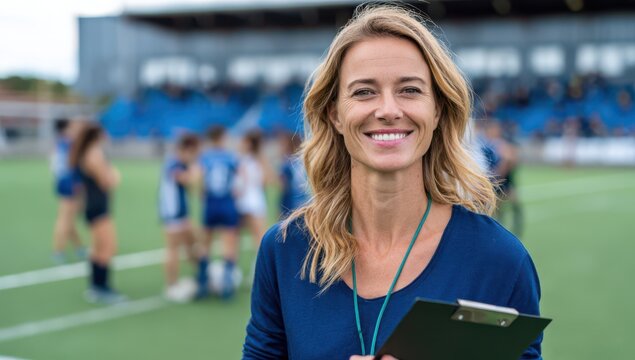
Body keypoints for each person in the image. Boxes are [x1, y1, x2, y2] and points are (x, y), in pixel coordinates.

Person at [243, 5, 543, 360]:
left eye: (410, 90)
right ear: (335, 114)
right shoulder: (285, 250)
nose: (387, 109)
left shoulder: (499, 260)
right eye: (363, 92)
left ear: (437, 110)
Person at [69, 122, 124, 304]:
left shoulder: (87, 152)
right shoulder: (94, 154)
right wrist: (115, 174)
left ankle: (95, 286)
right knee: (108, 247)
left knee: (98, 247)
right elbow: (107, 181)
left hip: (93, 205)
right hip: (98, 206)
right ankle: (102, 287)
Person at [196, 125, 241, 299]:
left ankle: (202, 284)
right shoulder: (230, 157)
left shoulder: (205, 157)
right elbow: (241, 178)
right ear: (222, 138)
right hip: (227, 202)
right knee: (228, 243)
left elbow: (199, 180)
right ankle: (227, 287)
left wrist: (202, 193)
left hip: (211, 203)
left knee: (205, 243)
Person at [158, 133, 201, 302]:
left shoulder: (179, 163)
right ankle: (171, 285)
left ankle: (201, 275)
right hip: (172, 213)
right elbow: (187, 180)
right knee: (173, 249)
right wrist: (196, 170)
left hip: (180, 212)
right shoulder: (174, 163)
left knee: (192, 242)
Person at [50, 118, 86, 264]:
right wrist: (78, 184)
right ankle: (58, 250)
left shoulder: (60, 143)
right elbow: (73, 166)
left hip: (62, 183)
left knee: (68, 217)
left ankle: (79, 247)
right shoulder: (70, 144)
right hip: (71, 184)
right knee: (65, 218)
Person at [236, 129, 268, 249]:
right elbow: (265, 181)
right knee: (259, 235)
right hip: (253, 200)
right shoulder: (250, 159)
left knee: (258, 235)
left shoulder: (245, 160)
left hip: (250, 200)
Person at [278, 132, 309, 219]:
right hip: (303, 200)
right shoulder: (302, 161)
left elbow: (282, 185)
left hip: (289, 201)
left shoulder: (287, 163)